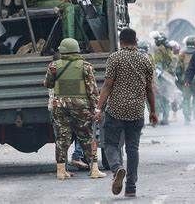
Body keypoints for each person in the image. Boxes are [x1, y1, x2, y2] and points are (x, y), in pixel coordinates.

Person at [94, 28, 157, 197]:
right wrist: (153, 111)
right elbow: (150, 89)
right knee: (132, 149)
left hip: (116, 110)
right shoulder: (145, 60)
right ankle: (131, 188)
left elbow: (107, 85)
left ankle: (117, 168)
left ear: (120, 41)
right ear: (135, 41)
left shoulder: (115, 58)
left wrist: (99, 108)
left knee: (111, 144)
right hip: (136, 111)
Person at [44, 38, 106, 180]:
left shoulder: (53, 66)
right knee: (86, 136)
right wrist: (97, 109)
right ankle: (94, 169)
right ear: (77, 49)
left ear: (62, 50)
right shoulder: (85, 66)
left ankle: (61, 171)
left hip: (59, 105)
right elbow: (92, 90)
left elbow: (48, 84)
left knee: (62, 138)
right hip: (81, 107)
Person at [175, 36, 195, 125]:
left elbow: (178, 69)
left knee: (186, 99)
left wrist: (179, 80)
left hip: (186, 79)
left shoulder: (182, 54)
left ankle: (187, 118)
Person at [152, 32, 174, 125]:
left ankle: (157, 118)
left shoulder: (158, 50)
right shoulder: (168, 49)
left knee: (158, 97)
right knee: (166, 98)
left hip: (161, 77)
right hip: (169, 76)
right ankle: (166, 118)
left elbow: (158, 64)